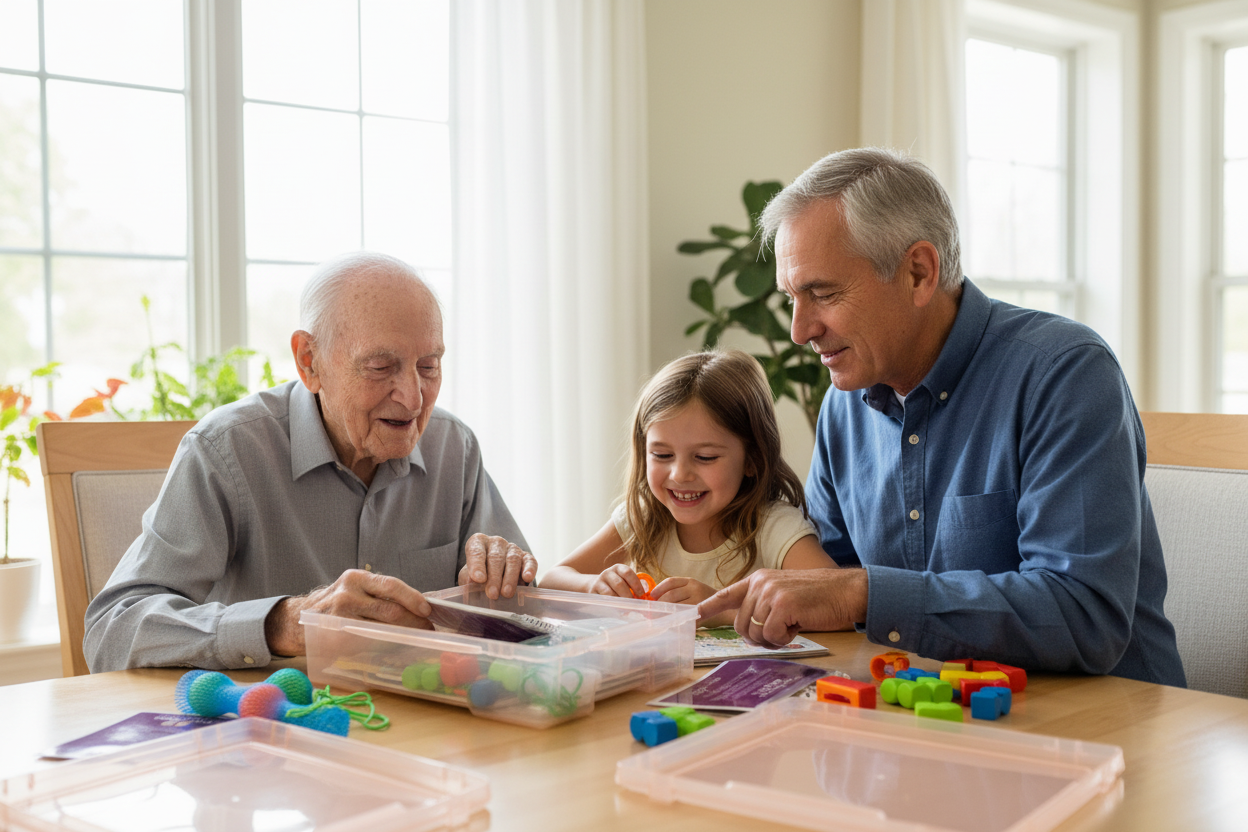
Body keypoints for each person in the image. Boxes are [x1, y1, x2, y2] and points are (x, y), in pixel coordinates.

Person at [698, 148, 1186, 686]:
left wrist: (864, 594)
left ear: (918, 272)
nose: (799, 330)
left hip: (1112, 731)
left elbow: (1086, 617)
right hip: (940, 721)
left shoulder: (1063, 373)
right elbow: (822, 586)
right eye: (793, 297)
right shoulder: (845, 406)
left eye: (823, 293)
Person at [85, 252, 536, 672]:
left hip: (422, 728)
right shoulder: (225, 451)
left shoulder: (454, 448)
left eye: (428, 365)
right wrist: (285, 622)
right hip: (272, 732)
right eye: (381, 367)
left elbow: (529, 622)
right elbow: (111, 631)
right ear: (309, 362)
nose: (414, 398)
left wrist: (506, 583)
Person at [541, 349, 837, 622]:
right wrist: (593, 586)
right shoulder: (643, 517)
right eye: (662, 455)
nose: (680, 474)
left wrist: (718, 608)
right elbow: (550, 584)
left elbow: (837, 608)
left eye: (705, 457)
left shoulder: (774, 526)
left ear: (753, 459)